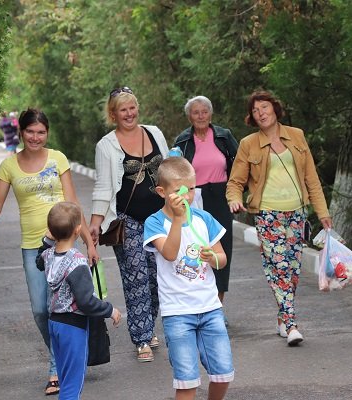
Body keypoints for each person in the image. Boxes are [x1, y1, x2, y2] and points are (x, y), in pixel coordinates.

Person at [0, 108, 96, 395]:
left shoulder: (57, 158)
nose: (35, 137)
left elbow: (72, 202)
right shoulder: (9, 166)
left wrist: (89, 241)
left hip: (65, 243)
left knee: (65, 307)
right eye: (30, 131)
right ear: (21, 132)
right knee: (39, 309)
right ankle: (60, 356)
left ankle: (56, 367)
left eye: (41, 132)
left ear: (47, 133)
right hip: (33, 245)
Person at [226, 90, 332, 346]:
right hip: (267, 214)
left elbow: (311, 178)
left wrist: (323, 213)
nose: (261, 113)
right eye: (255, 110)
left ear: (275, 109)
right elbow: (235, 182)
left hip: (296, 212)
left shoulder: (296, 136)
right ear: (252, 117)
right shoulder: (248, 144)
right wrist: (234, 199)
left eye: (264, 107)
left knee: (292, 268)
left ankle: (282, 317)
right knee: (279, 266)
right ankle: (292, 323)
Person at [89, 86, 169, 362]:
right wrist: (95, 223)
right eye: (122, 109)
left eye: (132, 107)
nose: (129, 113)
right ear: (113, 114)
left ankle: (148, 322)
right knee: (136, 278)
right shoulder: (106, 145)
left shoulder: (155, 132)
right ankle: (142, 337)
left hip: (161, 219)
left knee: (159, 277)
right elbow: (102, 186)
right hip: (127, 220)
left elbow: (169, 171)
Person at [143, 157, 234, 400]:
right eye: (180, 191)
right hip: (178, 313)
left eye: (192, 189)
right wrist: (178, 219)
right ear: (162, 192)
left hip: (211, 308)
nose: (188, 195)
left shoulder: (204, 219)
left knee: (223, 373)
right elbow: (170, 254)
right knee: (187, 381)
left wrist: (212, 258)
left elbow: (222, 259)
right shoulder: (154, 222)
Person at [40, 202, 121, 400]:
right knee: (72, 385)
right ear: (78, 230)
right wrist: (109, 310)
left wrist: (46, 241)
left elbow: (37, 260)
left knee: (64, 375)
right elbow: (85, 301)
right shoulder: (77, 262)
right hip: (73, 327)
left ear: (51, 231)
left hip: (54, 323)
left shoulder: (48, 255)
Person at [173, 96, 239, 316]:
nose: (200, 116)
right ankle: (199, 305)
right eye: (195, 112)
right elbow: (174, 172)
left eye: (204, 112)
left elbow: (239, 166)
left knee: (221, 250)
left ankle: (217, 307)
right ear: (189, 116)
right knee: (196, 250)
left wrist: (236, 194)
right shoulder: (182, 141)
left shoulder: (224, 136)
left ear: (210, 114)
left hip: (220, 197)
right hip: (194, 199)